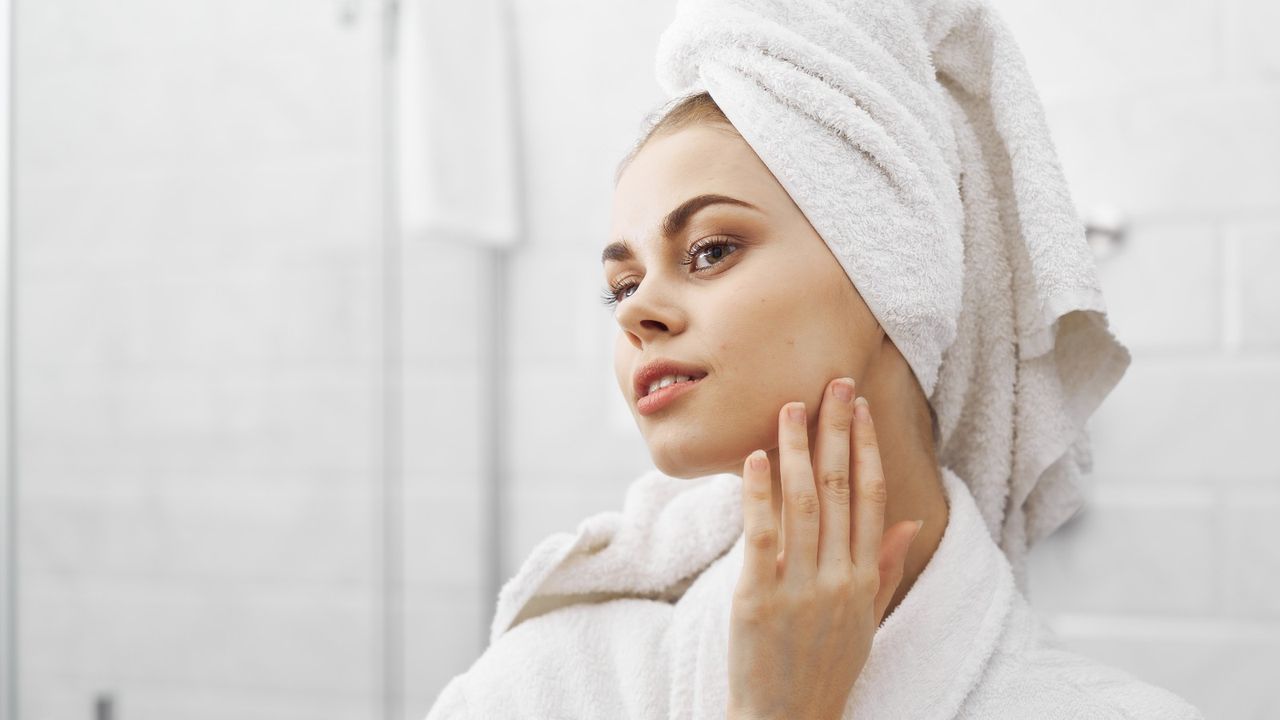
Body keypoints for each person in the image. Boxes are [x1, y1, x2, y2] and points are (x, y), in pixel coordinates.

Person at [425, 0, 1207, 716]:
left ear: (890, 268)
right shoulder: (548, 684)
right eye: (620, 285)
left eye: (709, 250)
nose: (635, 311)